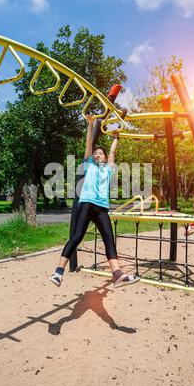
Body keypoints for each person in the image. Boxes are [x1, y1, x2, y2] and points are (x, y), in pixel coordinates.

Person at [50, 115, 140, 288]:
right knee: (77, 236)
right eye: (95, 154)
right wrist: (91, 124)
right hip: (87, 203)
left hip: (101, 208)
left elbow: (113, 152)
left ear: (105, 158)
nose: (97, 154)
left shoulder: (108, 169)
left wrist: (116, 138)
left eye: (101, 154)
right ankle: (58, 272)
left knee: (108, 238)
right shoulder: (89, 164)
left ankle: (117, 273)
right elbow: (88, 144)